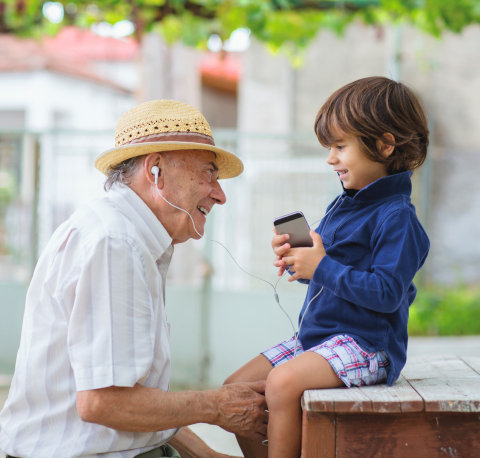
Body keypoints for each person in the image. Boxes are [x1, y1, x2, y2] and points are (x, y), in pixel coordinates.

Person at [0, 99, 267, 458]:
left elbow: (133, 398)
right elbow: (103, 403)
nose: (219, 195)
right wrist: (216, 407)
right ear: (155, 169)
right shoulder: (115, 242)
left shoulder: (126, 235)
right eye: (209, 173)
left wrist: (209, 455)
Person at [224, 76, 430, 458]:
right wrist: (299, 260)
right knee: (235, 389)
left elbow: (386, 295)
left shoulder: (397, 218)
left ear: (385, 145)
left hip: (367, 345)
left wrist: (320, 266)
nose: (330, 158)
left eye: (340, 146)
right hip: (318, 339)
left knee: (282, 383)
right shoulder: (345, 204)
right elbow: (329, 272)